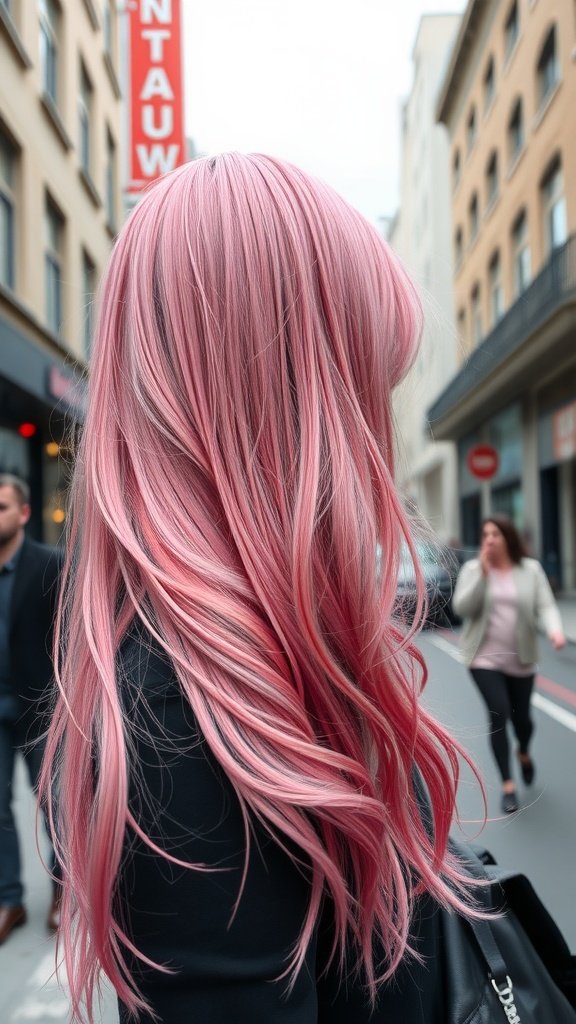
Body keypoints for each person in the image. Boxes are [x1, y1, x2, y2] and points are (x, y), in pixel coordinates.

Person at [41, 154, 479, 1023]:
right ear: (297, 403)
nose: (376, 436)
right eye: (362, 386)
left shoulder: (265, 663)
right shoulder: (187, 720)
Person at [452, 514, 566, 815]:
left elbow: (545, 605)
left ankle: (524, 752)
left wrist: (555, 631)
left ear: (508, 538)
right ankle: (508, 785)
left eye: (496, 534)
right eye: (485, 534)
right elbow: (462, 608)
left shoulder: (530, 570)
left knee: (523, 721)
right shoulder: (473, 569)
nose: (489, 539)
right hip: (483, 658)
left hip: (521, 660)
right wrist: (483, 575)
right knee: (499, 713)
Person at [0, 474, 62, 943]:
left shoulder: (51, 565)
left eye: (2, 507)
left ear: (23, 513)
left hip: (41, 704)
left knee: (54, 803)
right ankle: (10, 900)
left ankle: (64, 892)